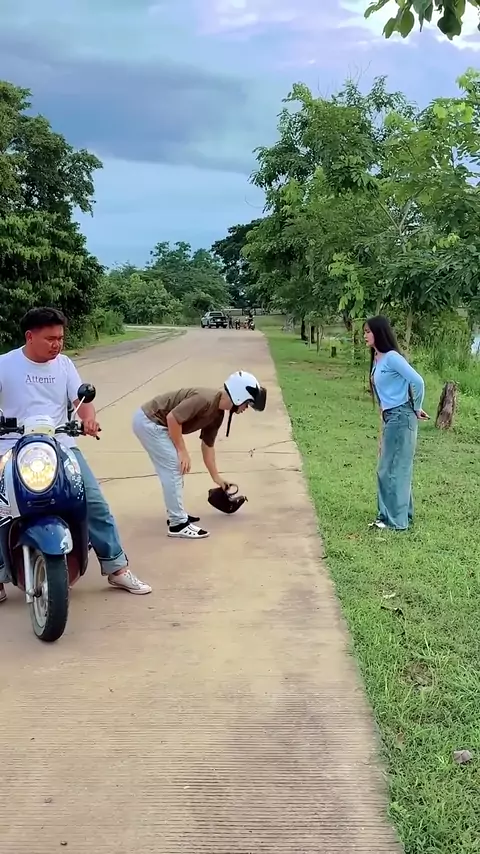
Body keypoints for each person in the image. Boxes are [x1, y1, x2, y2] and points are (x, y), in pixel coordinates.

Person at [0, 307, 152, 603]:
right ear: (29, 336)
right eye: (50, 339)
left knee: (92, 501)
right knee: (1, 508)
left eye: (60, 338)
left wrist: (88, 419)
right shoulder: (5, 365)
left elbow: (80, 401)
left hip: (61, 444)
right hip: (11, 446)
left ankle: (116, 567)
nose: (57, 344)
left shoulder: (65, 365)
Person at [132, 371, 267, 539]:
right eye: (247, 403)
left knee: (175, 467)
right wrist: (182, 451)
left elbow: (207, 446)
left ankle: (177, 514)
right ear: (239, 396)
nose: (246, 408)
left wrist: (217, 478)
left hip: (157, 424)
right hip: (149, 421)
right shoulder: (205, 399)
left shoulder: (217, 413)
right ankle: (178, 524)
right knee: (174, 466)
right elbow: (173, 418)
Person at [364, 315, 429, 531]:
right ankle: (397, 515)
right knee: (392, 467)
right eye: (364, 332)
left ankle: (394, 521)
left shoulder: (392, 357)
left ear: (379, 333)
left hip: (401, 416)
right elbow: (384, 395)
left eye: (368, 332)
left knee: (392, 469)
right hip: (390, 417)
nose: (365, 336)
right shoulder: (377, 359)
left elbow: (417, 381)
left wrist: (416, 407)